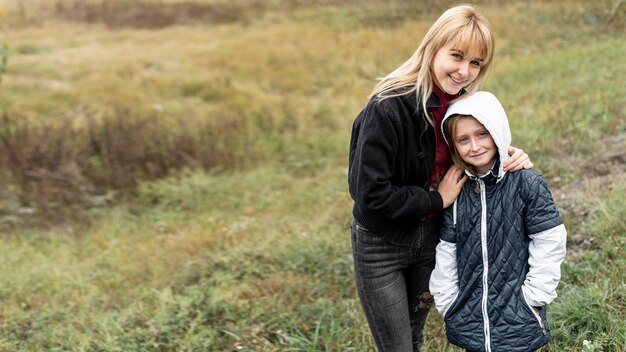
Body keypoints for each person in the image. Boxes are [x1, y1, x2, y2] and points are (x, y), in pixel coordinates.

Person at [347, 4, 533, 351]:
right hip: (382, 244)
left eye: (476, 62)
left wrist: (512, 155)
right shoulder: (387, 107)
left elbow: (478, 149)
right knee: (397, 346)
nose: (465, 71)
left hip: (432, 238)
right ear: (433, 47)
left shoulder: (462, 107)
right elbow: (369, 194)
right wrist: (436, 199)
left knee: (415, 337)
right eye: (457, 56)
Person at [429, 91, 567, 352]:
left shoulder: (526, 182)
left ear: (497, 131)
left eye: (482, 133)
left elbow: (550, 240)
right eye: (463, 139)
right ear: (453, 145)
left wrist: (534, 298)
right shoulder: (455, 190)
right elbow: (447, 250)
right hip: (468, 316)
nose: (475, 145)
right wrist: (448, 301)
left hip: (519, 313)